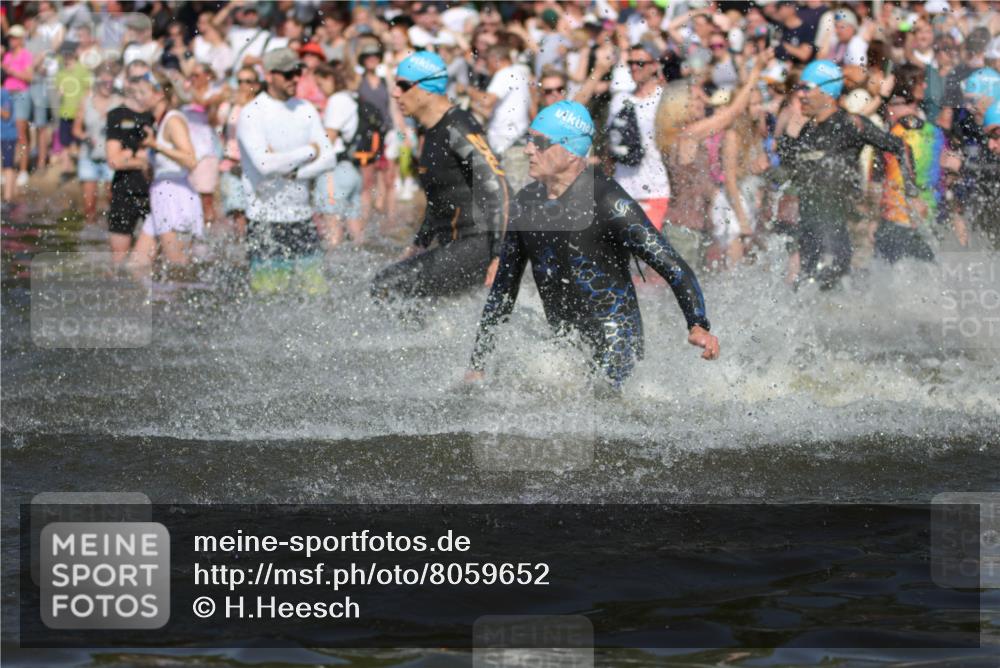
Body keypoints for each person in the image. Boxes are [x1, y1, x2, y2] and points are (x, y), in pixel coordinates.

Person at [465, 101, 718, 391]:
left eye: (540, 142)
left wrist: (698, 324)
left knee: (604, 406)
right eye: (529, 140)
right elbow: (503, 291)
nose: (528, 150)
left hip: (617, 346)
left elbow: (673, 266)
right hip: (566, 351)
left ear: (572, 151)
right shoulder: (525, 203)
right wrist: (477, 365)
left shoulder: (609, 201)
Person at [371, 51, 509, 303]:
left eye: (403, 85)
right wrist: (420, 244)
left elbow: (497, 185)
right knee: (408, 295)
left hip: (480, 243)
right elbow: (439, 199)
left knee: (386, 285)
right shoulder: (433, 132)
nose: (395, 93)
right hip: (457, 244)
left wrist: (499, 253)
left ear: (428, 88)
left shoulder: (458, 125)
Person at [778, 60, 918, 290]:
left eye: (806, 88)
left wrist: (912, 193)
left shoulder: (851, 124)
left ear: (827, 91)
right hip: (809, 233)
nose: (800, 94)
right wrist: (789, 133)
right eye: (799, 88)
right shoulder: (806, 130)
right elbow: (791, 170)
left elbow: (901, 147)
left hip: (838, 231)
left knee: (830, 292)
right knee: (804, 292)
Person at [236, 47, 337, 295]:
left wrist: (294, 172)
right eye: (288, 74)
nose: (295, 79)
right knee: (269, 296)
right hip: (265, 219)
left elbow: (329, 158)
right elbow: (264, 165)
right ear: (269, 75)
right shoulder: (252, 113)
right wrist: (309, 151)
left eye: (298, 73)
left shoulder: (306, 109)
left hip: (302, 217)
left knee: (316, 294)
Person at [129, 68, 203, 269]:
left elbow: (191, 160)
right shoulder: (158, 122)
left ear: (159, 93)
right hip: (161, 196)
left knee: (178, 266)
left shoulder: (173, 120)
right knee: (136, 267)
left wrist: (156, 146)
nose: (138, 97)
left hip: (176, 198)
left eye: (142, 92)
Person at [105, 59, 155, 264]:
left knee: (152, 259)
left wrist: (129, 156)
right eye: (135, 79)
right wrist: (141, 161)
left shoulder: (155, 114)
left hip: (153, 191)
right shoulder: (117, 115)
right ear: (126, 81)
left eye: (145, 78)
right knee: (118, 258)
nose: (140, 84)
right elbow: (114, 160)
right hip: (124, 190)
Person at [313, 61, 363, 247]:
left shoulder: (337, 100)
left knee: (332, 229)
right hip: (351, 170)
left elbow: (329, 139)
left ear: (330, 78)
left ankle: (333, 264)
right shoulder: (350, 98)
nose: (320, 90)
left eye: (320, 84)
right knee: (356, 234)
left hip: (334, 172)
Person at [73, 63, 121, 226]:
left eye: (110, 82)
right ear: (97, 81)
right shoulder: (86, 100)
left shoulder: (119, 102)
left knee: (112, 198)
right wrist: (85, 136)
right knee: (89, 206)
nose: (108, 85)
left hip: (111, 157)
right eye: (104, 82)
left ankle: (112, 231)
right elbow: (76, 129)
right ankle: (90, 234)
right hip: (88, 156)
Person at [1, 24, 32, 189]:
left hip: (21, 94)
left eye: (14, 38)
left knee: (21, 133)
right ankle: (7, 168)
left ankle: (23, 170)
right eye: (10, 38)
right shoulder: (7, 55)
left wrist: (12, 71)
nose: (11, 41)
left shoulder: (26, 55)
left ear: (20, 39)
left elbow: (29, 77)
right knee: (5, 133)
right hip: (7, 95)